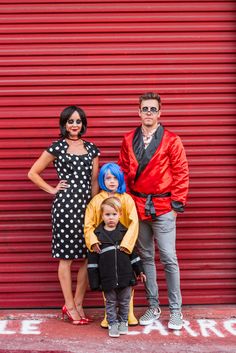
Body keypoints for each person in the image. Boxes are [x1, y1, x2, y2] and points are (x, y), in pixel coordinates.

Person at [118, 92, 189, 330]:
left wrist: (176, 205)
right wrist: (125, 203)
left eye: (153, 109)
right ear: (138, 112)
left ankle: (176, 310)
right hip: (137, 207)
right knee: (146, 257)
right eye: (145, 109)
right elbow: (124, 172)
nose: (148, 113)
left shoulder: (171, 140)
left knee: (169, 258)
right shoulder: (128, 139)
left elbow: (181, 172)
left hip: (163, 206)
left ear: (160, 113)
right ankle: (153, 305)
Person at [28, 105, 100, 325]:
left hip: (86, 208)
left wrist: (94, 207)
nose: (74, 125)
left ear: (83, 124)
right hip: (65, 208)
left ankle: (78, 303)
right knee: (66, 258)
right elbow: (33, 172)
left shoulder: (92, 148)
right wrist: (52, 189)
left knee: (89, 257)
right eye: (70, 121)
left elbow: (94, 181)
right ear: (64, 123)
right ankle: (69, 305)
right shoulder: (57, 147)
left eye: (78, 121)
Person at [84, 162, 139, 327]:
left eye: (115, 177)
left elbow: (134, 222)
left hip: (123, 247)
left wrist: (127, 244)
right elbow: (89, 224)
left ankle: (128, 312)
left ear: (120, 179)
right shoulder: (96, 201)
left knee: (127, 279)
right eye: (108, 178)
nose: (112, 181)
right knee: (108, 281)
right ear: (102, 180)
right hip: (105, 248)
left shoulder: (126, 199)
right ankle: (110, 316)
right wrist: (93, 242)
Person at [87, 197, 146, 337]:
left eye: (114, 214)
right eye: (107, 214)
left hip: (125, 275)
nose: (111, 218)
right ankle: (112, 323)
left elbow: (134, 254)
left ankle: (123, 321)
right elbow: (92, 262)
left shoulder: (125, 233)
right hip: (107, 277)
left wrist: (140, 270)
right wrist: (94, 281)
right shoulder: (97, 236)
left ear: (120, 215)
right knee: (111, 301)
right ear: (102, 215)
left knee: (125, 301)